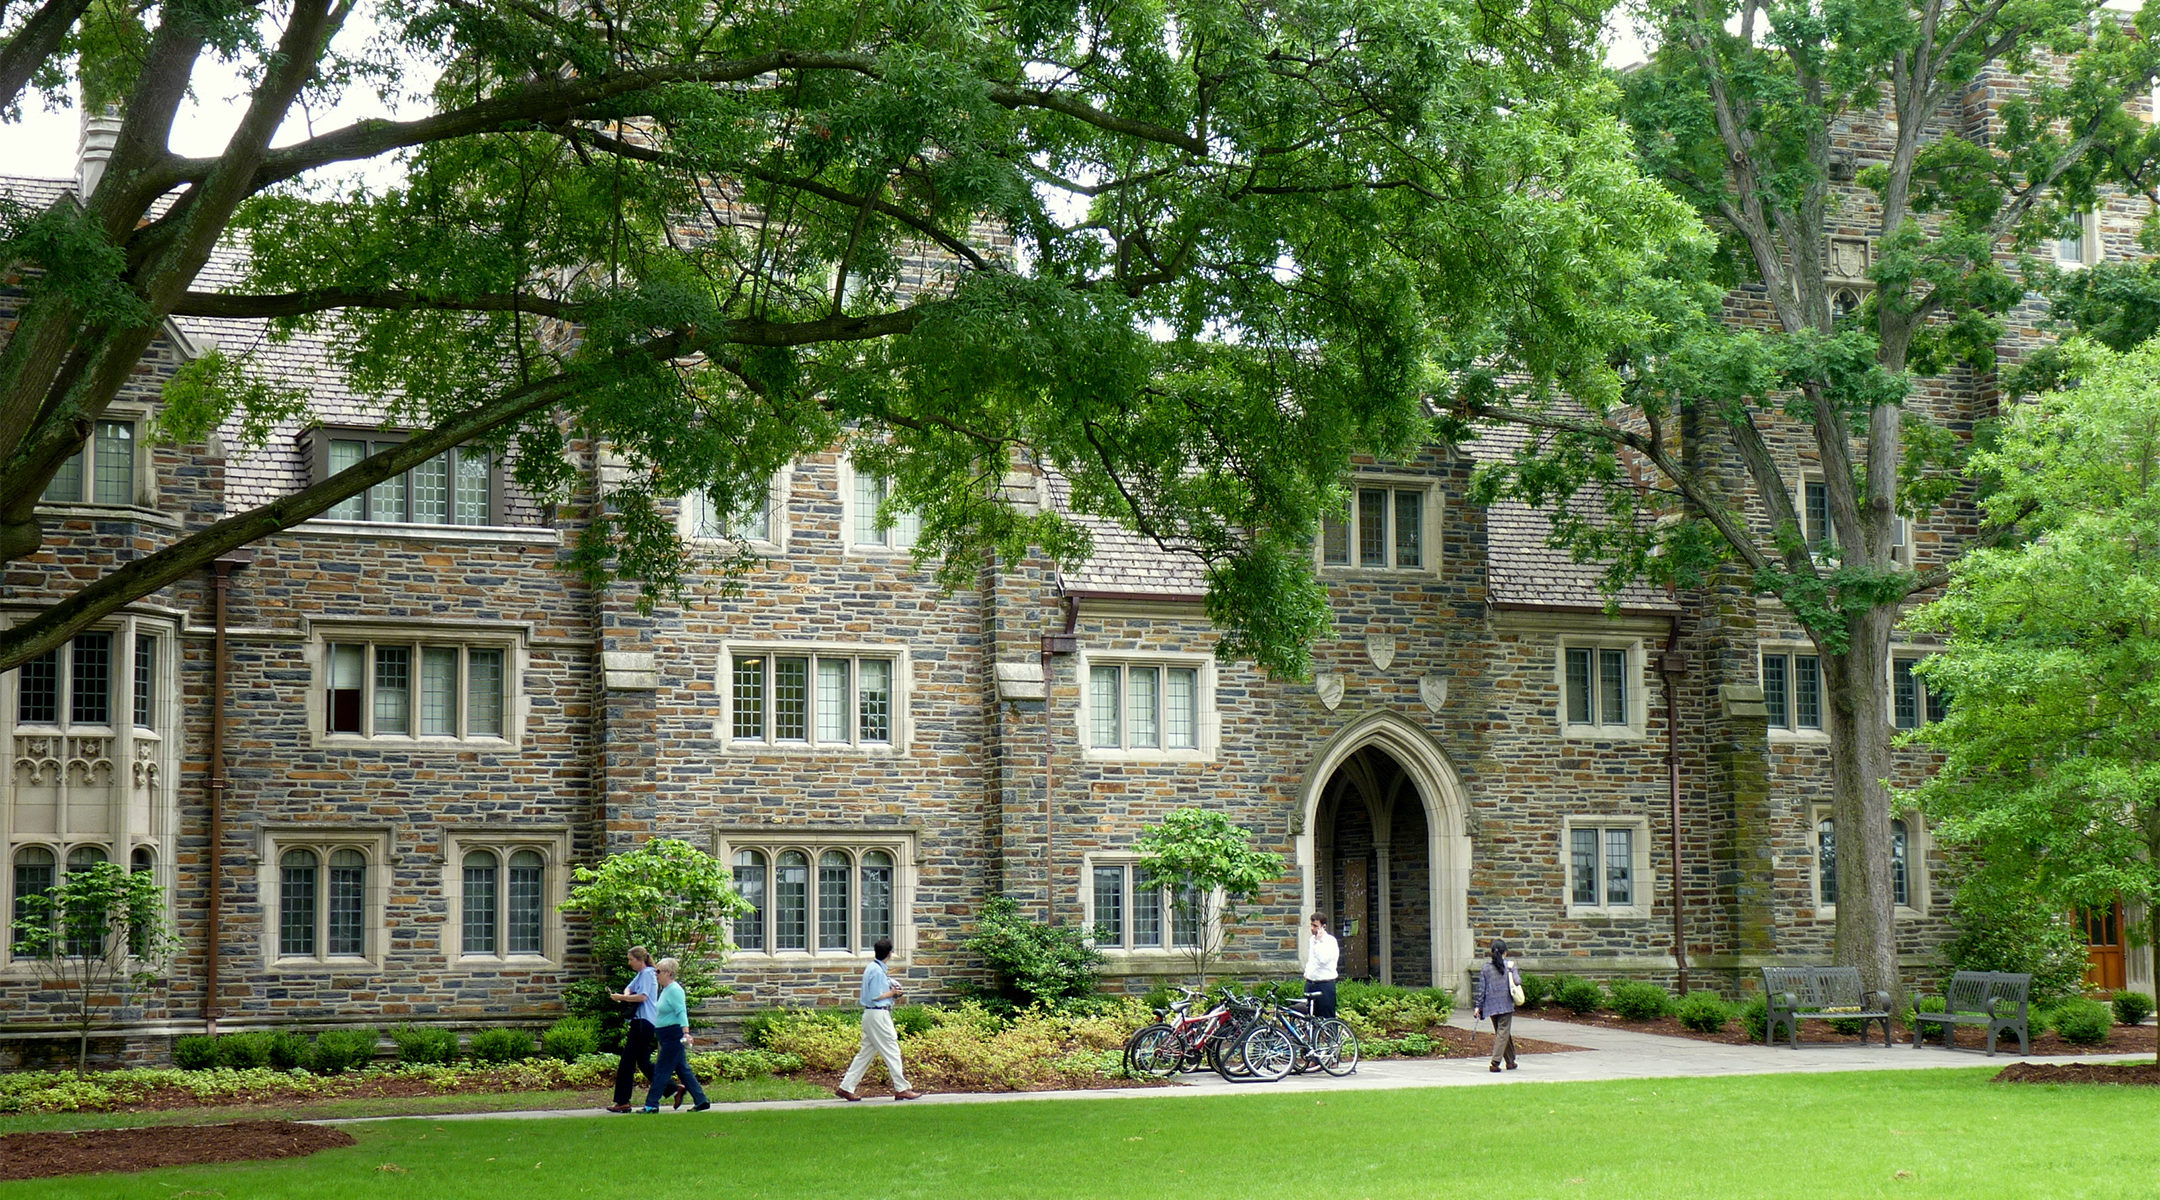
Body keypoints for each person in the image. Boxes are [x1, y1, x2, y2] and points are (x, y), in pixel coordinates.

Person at [834, 937, 922, 1101]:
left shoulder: (874, 968)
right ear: (889, 953)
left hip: (871, 1015)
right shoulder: (876, 971)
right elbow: (876, 996)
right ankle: (902, 1088)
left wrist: (891, 990)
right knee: (892, 1049)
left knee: (866, 1052)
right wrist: (894, 993)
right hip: (878, 1014)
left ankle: (846, 1087)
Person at [605, 946, 673, 1113]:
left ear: (640, 959)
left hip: (643, 1022)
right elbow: (630, 988)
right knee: (643, 1062)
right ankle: (672, 1088)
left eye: (631, 959)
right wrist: (626, 994)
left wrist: (621, 998)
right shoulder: (641, 975)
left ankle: (623, 1101)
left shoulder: (648, 973)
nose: (629, 963)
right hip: (642, 1022)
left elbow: (642, 997)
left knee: (627, 1062)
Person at [640, 957, 710, 1112]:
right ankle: (701, 1100)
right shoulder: (666, 990)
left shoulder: (675, 990)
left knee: (661, 1070)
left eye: (658, 971)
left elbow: (681, 1012)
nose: (655, 974)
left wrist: (686, 1032)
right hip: (665, 1035)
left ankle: (651, 1105)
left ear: (668, 973)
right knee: (683, 1070)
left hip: (673, 1035)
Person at [1470, 938, 1521, 1072]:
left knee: (1503, 1033)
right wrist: (1513, 971)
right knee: (1503, 1033)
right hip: (1505, 1004)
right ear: (1505, 952)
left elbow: (1481, 989)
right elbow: (1517, 981)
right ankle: (1495, 1062)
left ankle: (1510, 1061)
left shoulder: (1486, 968)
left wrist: (1478, 1007)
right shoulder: (1509, 965)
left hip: (1491, 1006)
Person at [1303, 913, 1340, 1018]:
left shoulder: (1330, 941)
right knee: (1310, 1017)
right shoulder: (1312, 940)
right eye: (1311, 925)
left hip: (1324, 985)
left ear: (1323, 927)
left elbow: (1323, 959)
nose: (1312, 928)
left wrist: (1319, 942)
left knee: (1326, 1016)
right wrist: (1307, 972)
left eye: (1315, 926)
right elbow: (1311, 959)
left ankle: (1331, 1034)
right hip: (1311, 983)